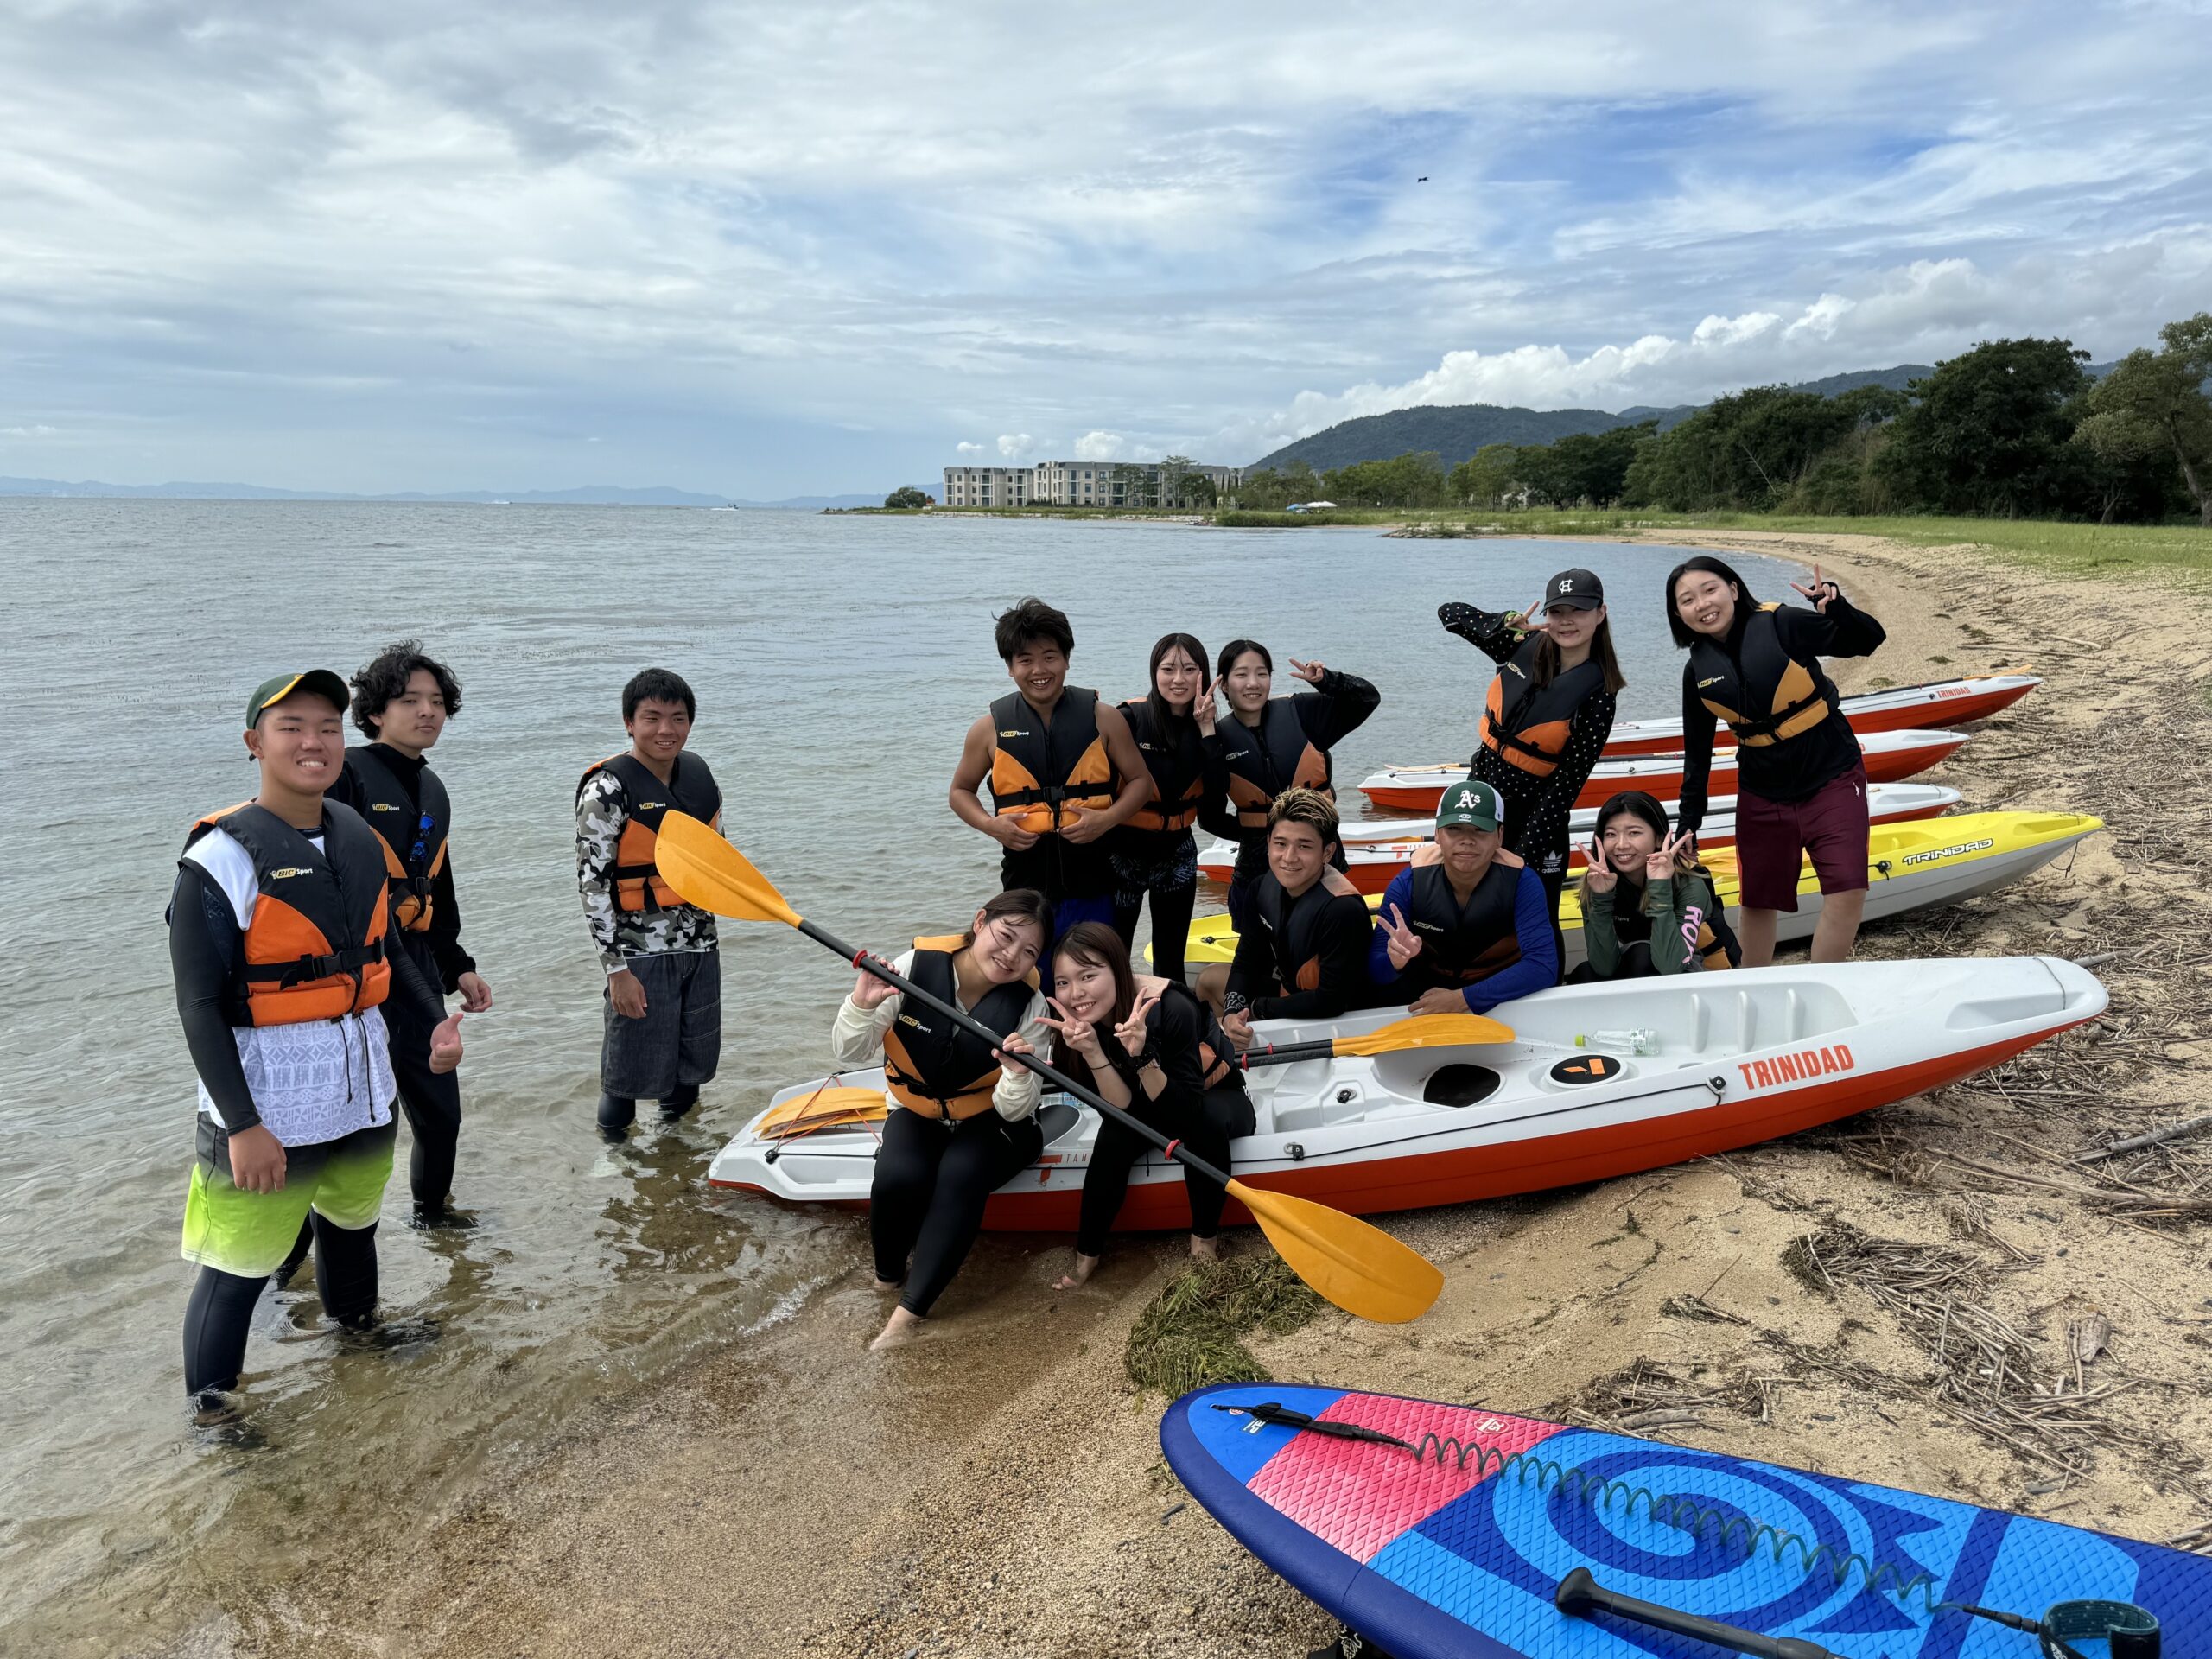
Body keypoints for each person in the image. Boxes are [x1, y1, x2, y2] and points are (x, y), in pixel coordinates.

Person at [171, 671, 461, 1423]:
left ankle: (357, 1334)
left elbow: (389, 954)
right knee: (237, 1264)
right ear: (254, 744)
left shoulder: (355, 837)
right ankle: (212, 1410)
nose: (314, 742)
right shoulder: (220, 860)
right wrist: (242, 1125)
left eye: (328, 726)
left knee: (351, 1224)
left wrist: (432, 1023)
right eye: (292, 726)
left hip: (359, 1080)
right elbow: (199, 1005)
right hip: (269, 1093)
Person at [830, 890, 1055, 1351]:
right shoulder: (914, 968)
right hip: (918, 1109)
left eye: (1028, 951)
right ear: (979, 922)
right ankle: (887, 1280)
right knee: (898, 1175)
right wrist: (861, 1003)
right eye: (1005, 936)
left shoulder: (1031, 1007)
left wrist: (1016, 1074)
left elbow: (1016, 1108)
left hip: (996, 1120)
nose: (1011, 955)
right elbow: (849, 1052)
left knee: (959, 1173)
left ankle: (906, 1318)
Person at [1668, 556, 1886, 965]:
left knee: (1847, 890)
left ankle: (1821, 982)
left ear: (1733, 589)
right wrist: (1689, 822)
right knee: (1758, 903)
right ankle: (1755, 993)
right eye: (1687, 600)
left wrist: (1837, 608)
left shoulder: (1782, 624)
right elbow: (1696, 755)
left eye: (1709, 590)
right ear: (1678, 614)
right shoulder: (1695, 672)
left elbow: (1869, 640)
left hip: (1832, 772)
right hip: (1762, 790)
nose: (1702, 604)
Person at [1014, 923, 1254, 1290]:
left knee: (1203, 1123)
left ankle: (1204, 1242)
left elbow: (1184, 1113)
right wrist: (1093, 1051)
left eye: (1088, 976)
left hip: (1212, 1097)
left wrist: (1143, 1057)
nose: (1076, 993)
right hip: (1143, 1103)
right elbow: (1120, 1106)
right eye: (1063, 982)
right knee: (1113, 1136)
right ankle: (1087, 1255)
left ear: (1118, 970)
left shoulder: (1170, 1007)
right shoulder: (1072, 1025)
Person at [950, 598, 1152, 978]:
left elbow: (1141, 783)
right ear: (1010, 668)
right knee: (1025, 983)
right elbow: (960, 792)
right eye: (1025, 660)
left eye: (1050, 657)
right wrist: (991, 826)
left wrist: (1106, 820)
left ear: (1067, 659)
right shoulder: (988, 729)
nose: (1039, 670)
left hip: (1093, 885)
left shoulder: (1102, 718)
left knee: (1092, 980)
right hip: (1023, 890)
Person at [1438, 568, 1624, 950]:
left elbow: (1565, 788)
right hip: (1483, 805)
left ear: (1601, 613)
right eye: (1558, 611)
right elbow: (1449, 613)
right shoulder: (1518, 645)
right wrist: (1503, 624)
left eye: (1578, 610)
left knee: (1535, 915)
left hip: (1537, 817)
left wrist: (1519, 858)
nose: (1566, 621)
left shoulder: (1599, 695)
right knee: (1473, 910)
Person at [577, 668, 725, 1141]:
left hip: (700, 945)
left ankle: (675, 1157)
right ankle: (614, 1159)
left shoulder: (699, 776)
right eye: (652, 718)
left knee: (690, 1066)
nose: (666, 730)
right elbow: (592, 885)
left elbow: (721, 862)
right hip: (639, 954)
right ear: (629, 723)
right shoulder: (607, 790)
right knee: (628, 1069)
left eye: (678, 718)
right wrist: (615, 970)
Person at [1209, 639, 1380, 930]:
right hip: (1258, 863)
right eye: (1241, 675)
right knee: (1257, 945)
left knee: (1325, 933)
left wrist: (1328, 681)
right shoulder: (1216, 739)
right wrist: (1256, 833)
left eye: (1262, 674)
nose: (1253, 683)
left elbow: (1367, 699)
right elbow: (1209, 817)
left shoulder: (1300, 713)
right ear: (1224, 684)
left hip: (1319, 852)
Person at [1369, 780, 1558, 1014]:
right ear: (1437, 834)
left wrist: (1463, 998)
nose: (1467, 840)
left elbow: (1543, 965)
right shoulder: (1408, 884)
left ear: (1499, 836)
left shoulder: (1523, 883)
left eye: (1480, 830)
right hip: (1429, 990)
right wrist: (1396, 960)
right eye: (1454, 828)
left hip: (1498, 991)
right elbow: (1376, 969)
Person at [1211, 787, 1373, 1047]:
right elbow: (1246, 960)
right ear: (1268, 844)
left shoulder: (1342, 910)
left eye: (1304, 846)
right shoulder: (1261, 888)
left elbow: (1333, 1000)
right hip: (1289, 990)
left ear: (1328, 853)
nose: (1289, 858)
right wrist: (1232, 1011)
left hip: (1340, 1016)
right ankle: (1231, 1045)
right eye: (1281, 844)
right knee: (1209, 981)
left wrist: (1258, 1008)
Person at [1110, 632, 1228, 984]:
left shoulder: (1208, 728)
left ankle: (1167, 1028)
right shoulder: (1129, 719)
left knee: (1170, 958)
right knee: (1113, 955)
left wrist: (1207, 727)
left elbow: (1217, 794)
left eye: (1190, 669)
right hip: (1122, 856)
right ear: (1154, 672)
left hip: (1176, 855)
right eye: (1168, 669)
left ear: (1203, 675)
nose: (1179, 679)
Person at [1573, 791, 1740, 982]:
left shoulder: (1690, 884)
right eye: (1611, 834)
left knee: (1642, 957)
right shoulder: (1598, 882)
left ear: (1659, 838)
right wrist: (1601, 899)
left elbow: (1671, 966)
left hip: (1707, 971)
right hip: (1651, 966)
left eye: (1634, 833)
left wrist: (1660, 888)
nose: (1620, 844)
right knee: (1583, 975)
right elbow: (1604, 968)